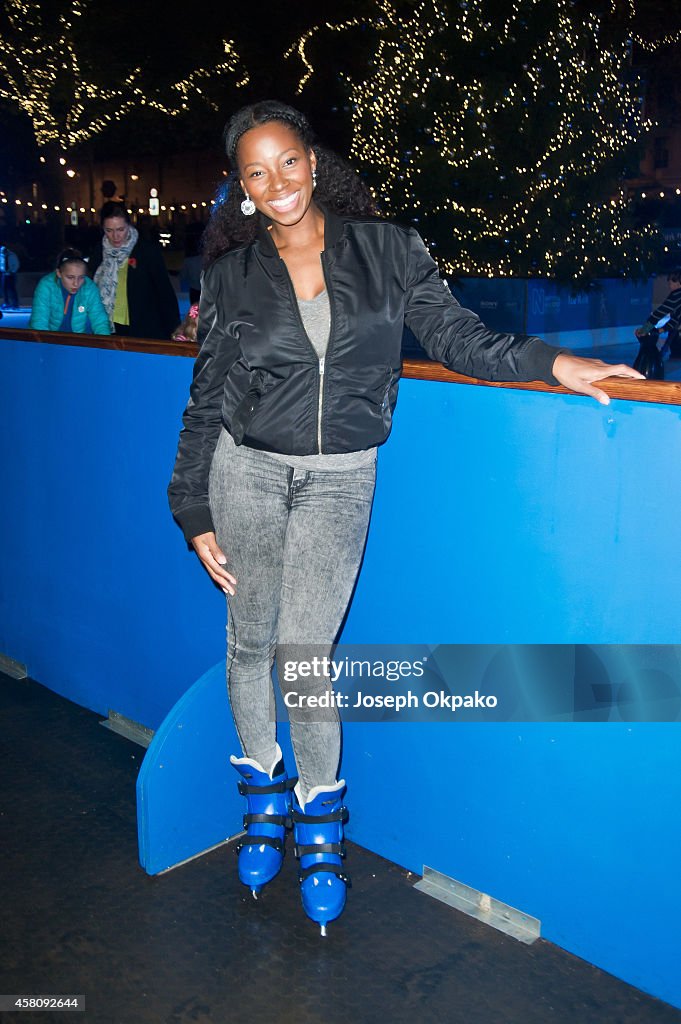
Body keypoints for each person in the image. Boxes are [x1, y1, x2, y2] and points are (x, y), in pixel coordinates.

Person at [167, 100, 643, 935]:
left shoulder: (388, 248)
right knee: (249, 642)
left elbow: (456, 336)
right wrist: (191, 502)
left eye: (287, 162)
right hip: (243, 473)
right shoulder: (234, 273)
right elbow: (206, 397)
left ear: (313, 163)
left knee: (304, 657)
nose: (275, 183)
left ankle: (319, 825)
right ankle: (262, 804)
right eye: (255, 171)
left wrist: (550, 361)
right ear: (239, 187)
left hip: (339, 480)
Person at [90, 202, 179, 339]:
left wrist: (174, 331)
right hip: (106, 329)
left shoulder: (147, 251)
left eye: (120, 229)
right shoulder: (98, 252)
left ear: (129, 225)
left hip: (144, 331)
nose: (115, 236)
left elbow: (165, 294)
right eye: (109, 230)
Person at [29, 249, 111, 335]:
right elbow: (39, 322)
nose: (76, 283)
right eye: (70, 277)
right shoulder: (46, 286)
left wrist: (105, 344)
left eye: (81, 277)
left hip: (76, 340)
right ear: (59, 273)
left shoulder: (89, 288)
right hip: (49, 339)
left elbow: (100, 321)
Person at [636, 267, 681, 357]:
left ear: (679, 284)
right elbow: (677, 319)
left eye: (671, 283)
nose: (669, 286)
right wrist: (662, 329)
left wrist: (645, 329)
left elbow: (658, 314)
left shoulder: (676, 295)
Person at [0, 244, 20, 309]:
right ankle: (6, 303)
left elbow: (16, 264)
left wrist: (12, 271)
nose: (3, 253)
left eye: (4, 251)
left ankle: (15, 304)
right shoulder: (1, 256)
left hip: (11, 274)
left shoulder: (12, 255)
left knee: (12, 289)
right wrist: (2, 270)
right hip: (4, 274)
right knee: (4, 289)